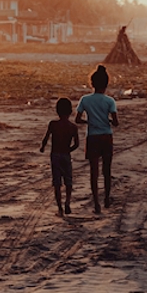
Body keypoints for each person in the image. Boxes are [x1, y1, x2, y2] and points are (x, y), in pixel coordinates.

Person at [76, 64, 118, 214]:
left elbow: (77, 119)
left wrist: (89, 122)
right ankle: (106, 198)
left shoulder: (85, 100)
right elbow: (116, 122)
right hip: (106, 136)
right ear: (106, 84)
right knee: (107, 170)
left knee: (94, 172)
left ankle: (96, 204)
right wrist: (109, 121)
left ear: (92, 83)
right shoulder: (110, 101)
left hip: (92, 137)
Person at [40, 97, 79, 217]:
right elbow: (76, 144)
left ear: (57, 111)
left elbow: (46, 138)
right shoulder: (73, 127)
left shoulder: (53, 124)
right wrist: (68, 150)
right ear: (70, 111)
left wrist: (43, 147)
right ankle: (67, 202)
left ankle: (60, 208)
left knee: (57, 182)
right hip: (66, 155)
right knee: (68, 181)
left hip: (55, 155)